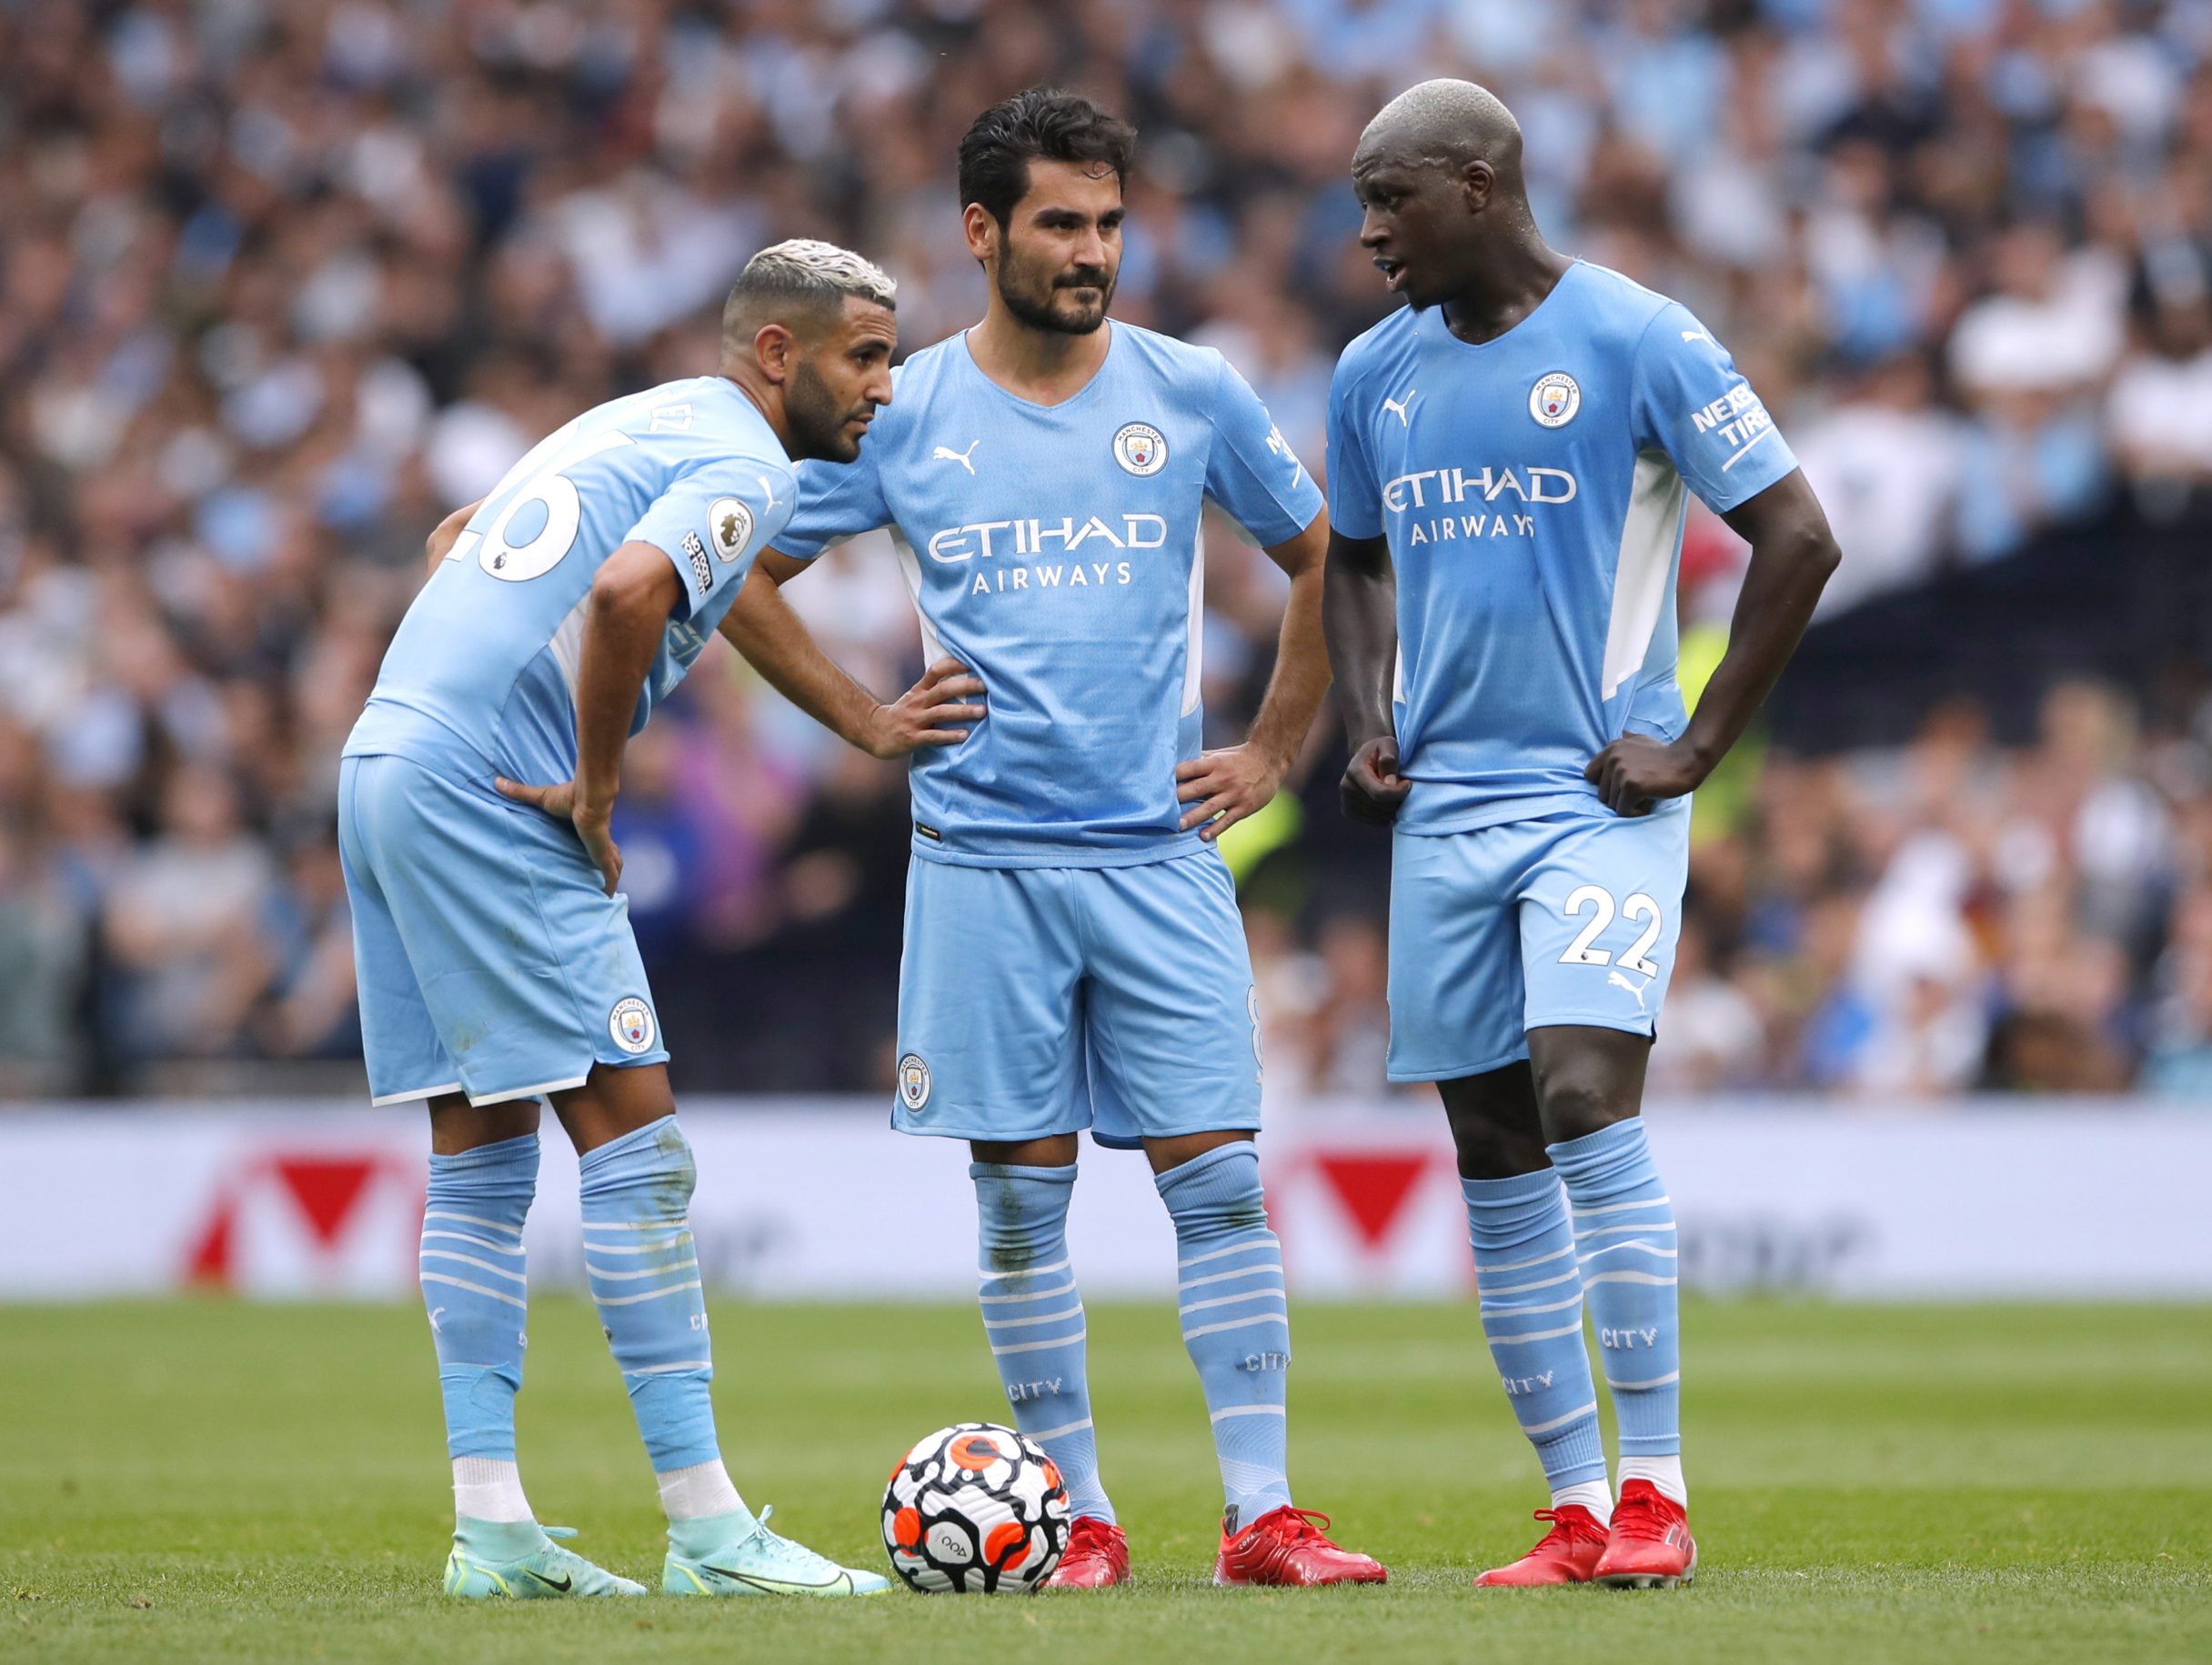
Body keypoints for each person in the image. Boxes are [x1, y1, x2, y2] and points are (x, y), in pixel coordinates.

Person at [721, 90, 1386, 1590]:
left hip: (1158, 856)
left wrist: (1276, 748)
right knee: (1022, 1207)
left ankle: (1263, 1517)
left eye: (1109, 223)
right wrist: (861, 718)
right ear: (982, 232)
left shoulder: (1189, 389)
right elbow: (739, 574)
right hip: (982, 867)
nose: (1093, 252)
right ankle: (1080, 1519)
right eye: (1061, 224)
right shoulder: (906, 411)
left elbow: (1326, 557)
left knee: (1219, 1186)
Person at [1322, 80, 1840, 1590]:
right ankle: (1572, 1508)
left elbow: (1800, 535)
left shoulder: (1638, 337)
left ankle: (1657, 1496)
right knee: (1490, 1142)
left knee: (1580, 1095)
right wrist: (1366, 715)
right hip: (1446, 813)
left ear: (1479, 187)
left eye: (1392, 200)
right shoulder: (1372, 374)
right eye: (1362, 205)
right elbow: (1350, 561)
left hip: (1592, 801)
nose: (1370, 234)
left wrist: (1696, 745)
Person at [337, 240, 899, 1600]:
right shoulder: (751, 462)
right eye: (865, 356)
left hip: (387, 758)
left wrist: (858, 718)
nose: (883, 386)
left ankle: (492, 1532)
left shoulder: (637, 421)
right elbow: (632, 591)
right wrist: (595, 787)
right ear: (779, 353)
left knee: (480, 1150)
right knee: (637, 1144)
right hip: (493, 789)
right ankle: (709, 1531)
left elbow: (458, 542)